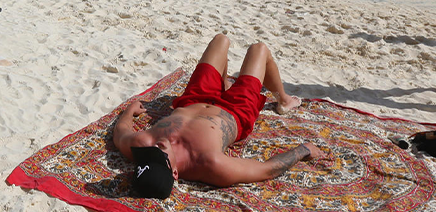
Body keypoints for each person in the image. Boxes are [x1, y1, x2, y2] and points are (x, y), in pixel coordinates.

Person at [113, 34, 318, 199]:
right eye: (160, 157)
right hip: (236, 110)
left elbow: (120, 133)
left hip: (194, 98)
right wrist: (304, 150)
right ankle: (284, 99)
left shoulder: (142, 145)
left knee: (220, 40)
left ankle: (223, 85)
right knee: (259, 49)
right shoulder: (209, 164)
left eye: (149, 155)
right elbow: (267, 170)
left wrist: (130, 111)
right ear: (174, 173)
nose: (156, 147)